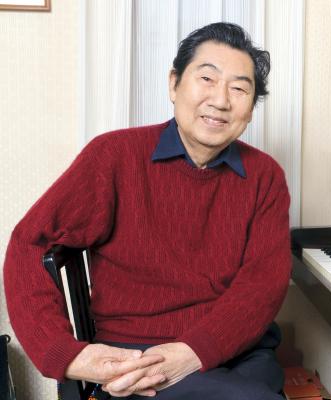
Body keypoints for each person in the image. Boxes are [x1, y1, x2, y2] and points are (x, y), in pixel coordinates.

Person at [4, 22, 291, 399]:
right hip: (137, 355)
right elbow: (29, 242)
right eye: (207, 79)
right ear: (174, 84)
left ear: (250, 109)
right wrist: (66, 354)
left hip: (237, 348)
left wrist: (193, 353)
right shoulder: (114, 156)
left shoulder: (265, 176)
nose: (221, 100)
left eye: (239, 88)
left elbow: (263, 285)